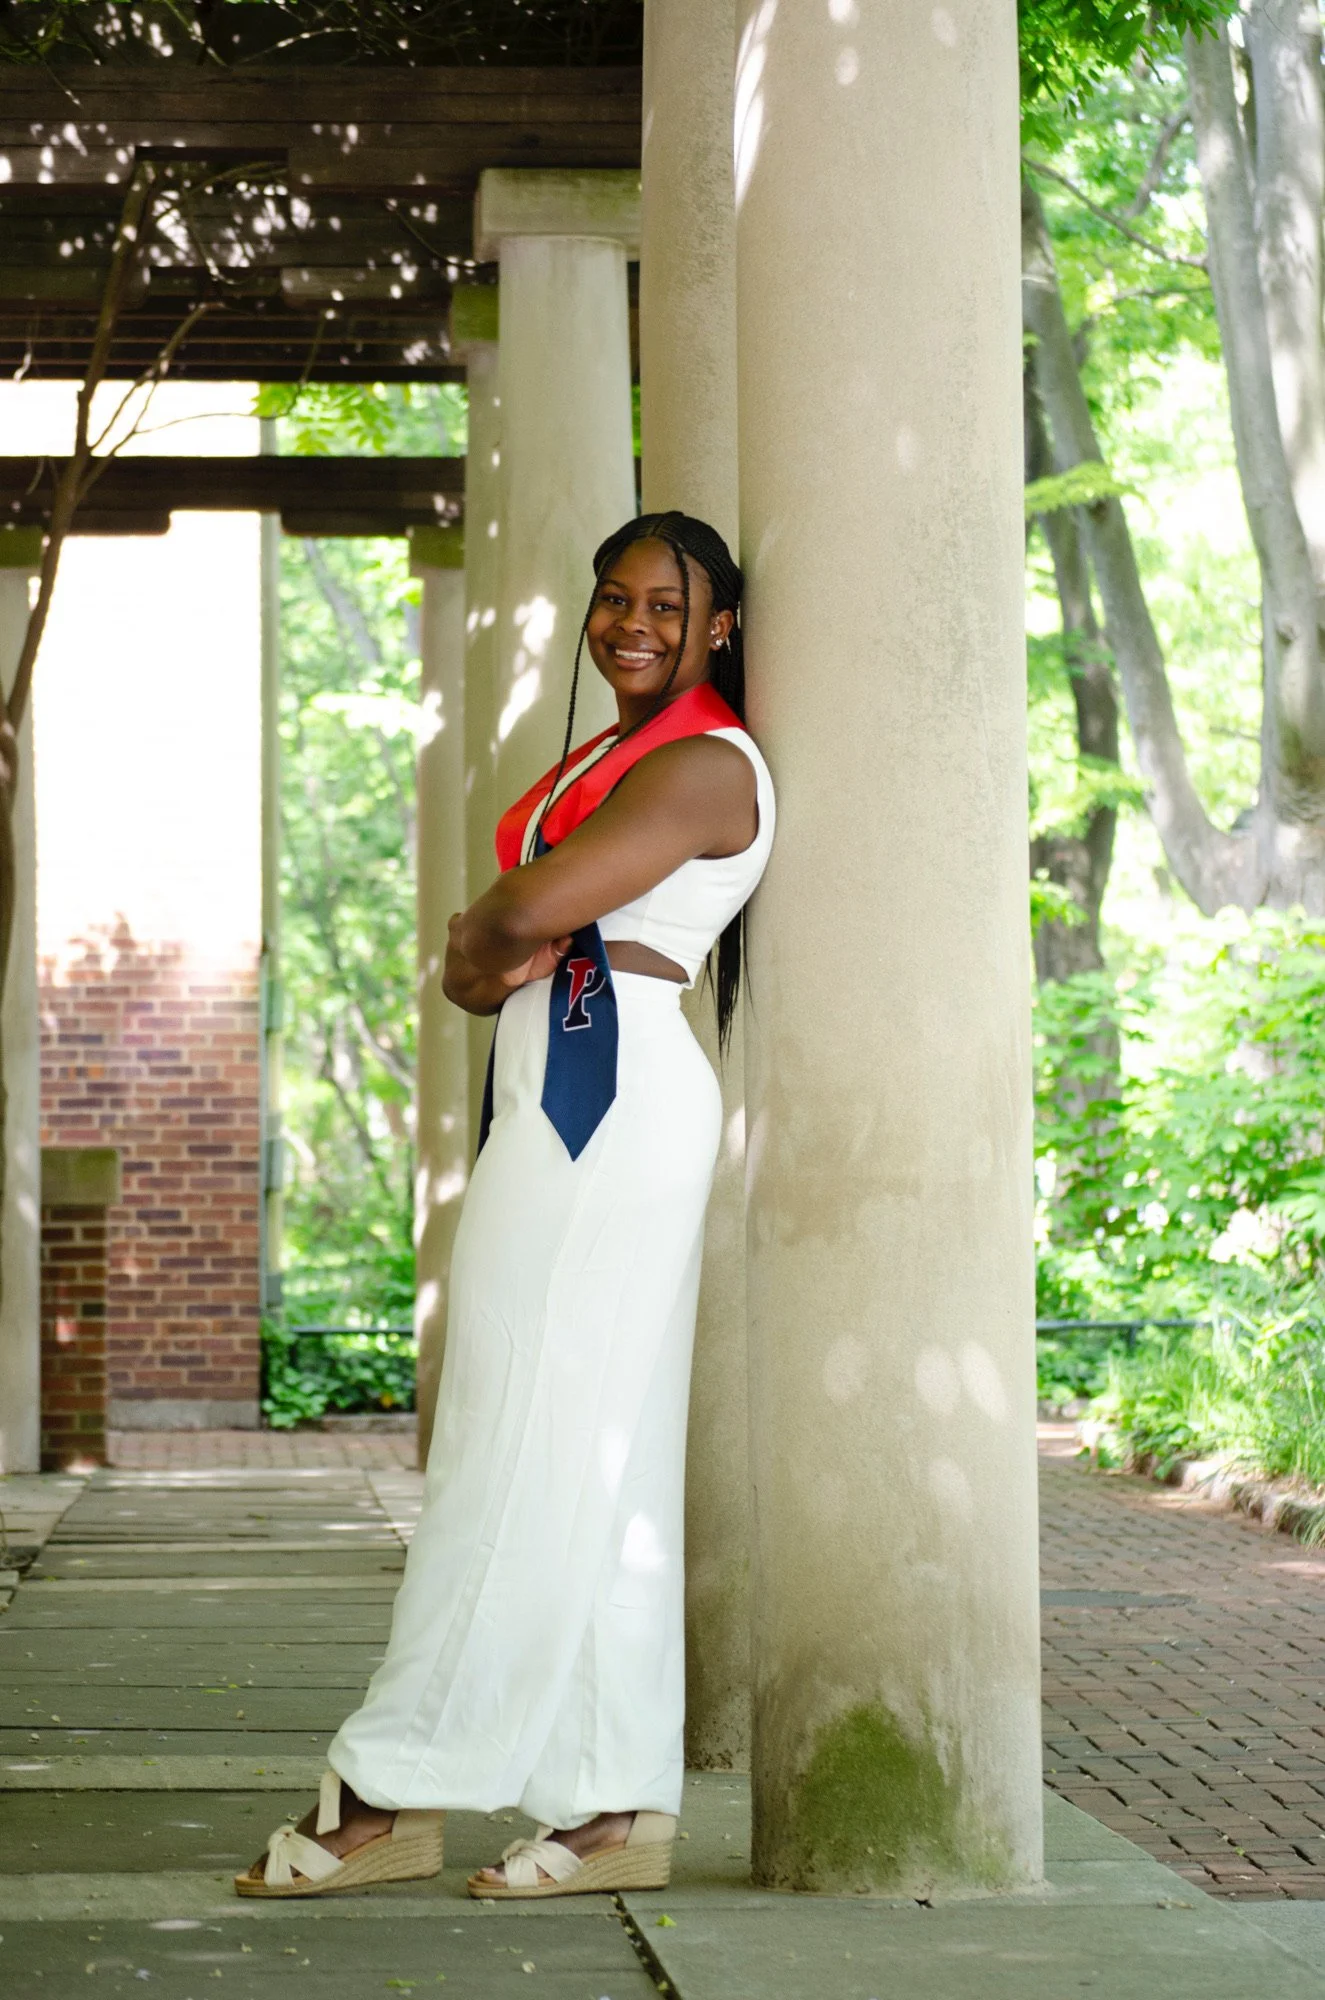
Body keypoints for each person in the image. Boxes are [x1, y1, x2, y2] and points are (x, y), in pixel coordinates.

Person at [235, 511, 775, 1902]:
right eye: (613, 598)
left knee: (515, 1431)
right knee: (591, 1451)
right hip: (554, 1102)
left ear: (718, 624)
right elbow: (485, 952)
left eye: (668, 602)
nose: (634, 623)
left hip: (615, 1108)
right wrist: (489, 940)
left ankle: (393, 1781)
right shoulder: (602, 757)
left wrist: (492, 931)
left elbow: (524, 909)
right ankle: (615, 1806)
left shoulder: (708, 762)